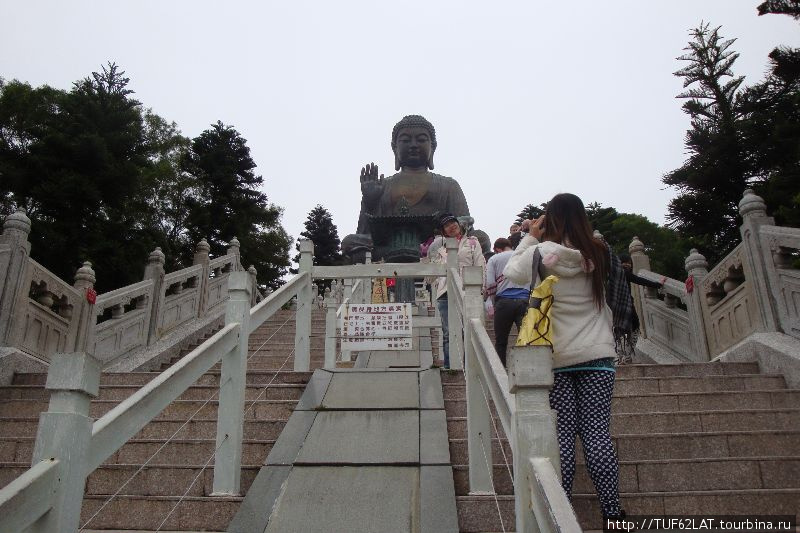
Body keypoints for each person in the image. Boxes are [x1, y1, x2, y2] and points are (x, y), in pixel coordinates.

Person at [504, 193, 626, 520]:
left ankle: (562, 515)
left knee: (562, 440)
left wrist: (531, 233)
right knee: (597, 433)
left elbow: (513, 272)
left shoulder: (543, 253)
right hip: (599, 357)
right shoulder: (599, 253)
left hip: (557, 360)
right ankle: (614, 516)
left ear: (551, 219)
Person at [431, 212, 485, 369]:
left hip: (466, 288)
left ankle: (470, 365)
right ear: (443, 231)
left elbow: (480, 264)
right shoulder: (441, 249)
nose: (451, 226)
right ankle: (449, 365)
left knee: (467, 328)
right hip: (445, 292)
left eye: (453, 223)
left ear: (459, 224)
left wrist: (480, 289)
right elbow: (433, 274)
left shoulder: (472, 243)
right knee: (448, 331)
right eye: (446, 225)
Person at [483, 237, 530, 367]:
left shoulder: (494, 259)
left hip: (504, 302)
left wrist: (492, 301)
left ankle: (501, 369)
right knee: (526, 338)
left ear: (497, 249)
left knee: (501, 341)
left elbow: (491, 283)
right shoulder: (523, 255)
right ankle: (525, 368)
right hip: (524, 301)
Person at [616, 253, 663, 363]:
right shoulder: (625, 273)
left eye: (629, 263)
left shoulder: (613, 275)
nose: (628, 265)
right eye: (626, 262)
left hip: (615, 309)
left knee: (619, 331)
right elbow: (640, 280)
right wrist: (658, 284)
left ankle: (620, 357)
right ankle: (627, 356)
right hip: (626, 307)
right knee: (635, 328)